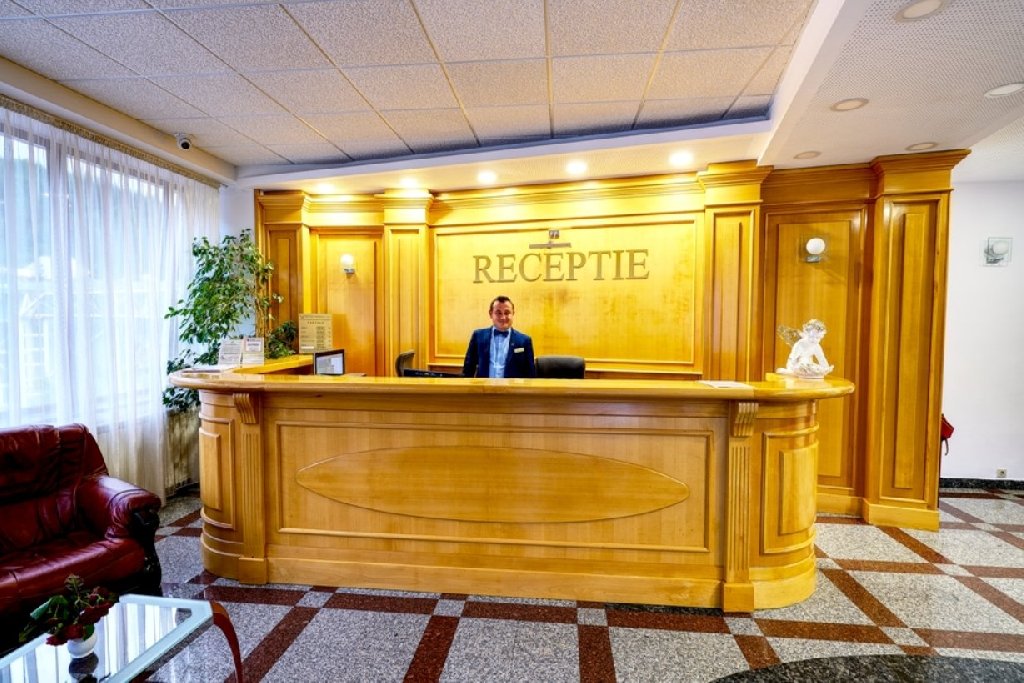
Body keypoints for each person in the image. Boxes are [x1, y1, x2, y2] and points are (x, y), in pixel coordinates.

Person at [462, 295, 537, 378]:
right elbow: (468, 369)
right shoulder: (478, 336)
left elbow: (530, 374)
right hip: (483, 386)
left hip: (512, 386)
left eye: (507, 313)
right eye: (498, 313)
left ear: (513, 314)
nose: (503, 317)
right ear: (491, 314)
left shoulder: (524, 341)